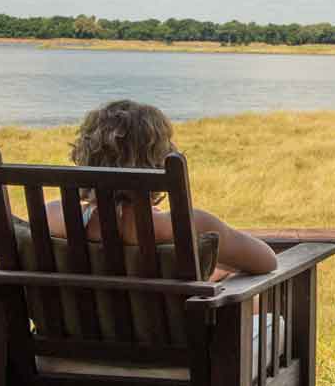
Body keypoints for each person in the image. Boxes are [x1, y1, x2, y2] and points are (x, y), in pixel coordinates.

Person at [45, 99, 277, 280]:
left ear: (85, 158)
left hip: (74, 340)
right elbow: (266, 261)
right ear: (159, 161)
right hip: (174, 340)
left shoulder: (53, 217)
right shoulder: (188, 224)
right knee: (269, 319)